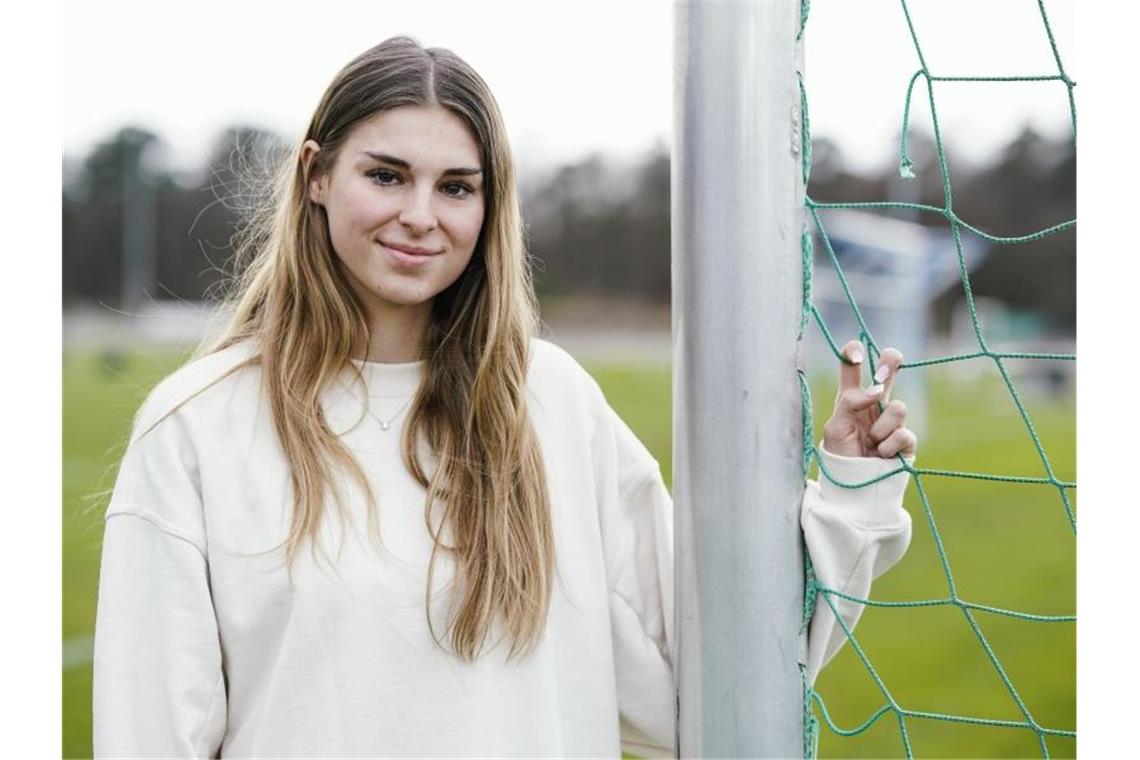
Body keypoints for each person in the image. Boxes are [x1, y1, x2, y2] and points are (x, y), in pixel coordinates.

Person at [91, 36, 918, 759]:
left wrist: (848, 491)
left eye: (457, 187)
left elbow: (716, 679)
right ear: (315, 176)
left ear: (491, 205)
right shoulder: (196, 424)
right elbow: (151, 732)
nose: (420, 215)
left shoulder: (551, 403)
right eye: (386, 175)